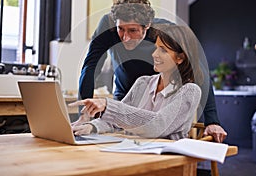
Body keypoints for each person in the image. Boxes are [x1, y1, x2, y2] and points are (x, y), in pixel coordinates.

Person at [75, 0, 227, 142]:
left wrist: (212, 120)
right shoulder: (141, 82)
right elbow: (90, 67)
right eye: (120, 29)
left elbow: (199, 71)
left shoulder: (164, 32)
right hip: (134, 88)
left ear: (147, 27)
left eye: (133, 31)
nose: (125, 38)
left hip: (164, 94)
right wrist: (85, 118)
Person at [70, 25, 202, 139]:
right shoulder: (142, 83)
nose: (154, 54)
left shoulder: (190, 91)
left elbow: (158, 125)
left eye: (163, 50)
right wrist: (90, 127)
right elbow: (117, 120)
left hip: (168, 162)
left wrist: (108, 106)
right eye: (156, 48)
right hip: (134, 153)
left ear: (180, 58)